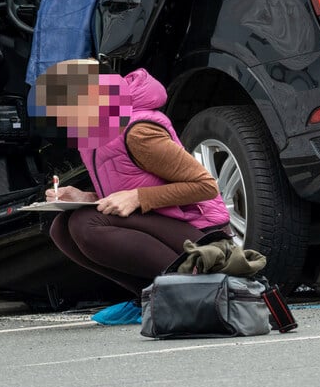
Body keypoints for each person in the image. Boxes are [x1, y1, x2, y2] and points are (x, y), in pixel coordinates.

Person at [32, 59, 230, 303]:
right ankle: (149, 298)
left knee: (85, 223)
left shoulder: (138, 131)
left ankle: (201, 289)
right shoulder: (93, 138)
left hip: (204, 235)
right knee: (61, 227)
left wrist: (137, 197)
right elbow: (123, 198)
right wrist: (85, 198)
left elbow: (205, 186)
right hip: (162, 226)